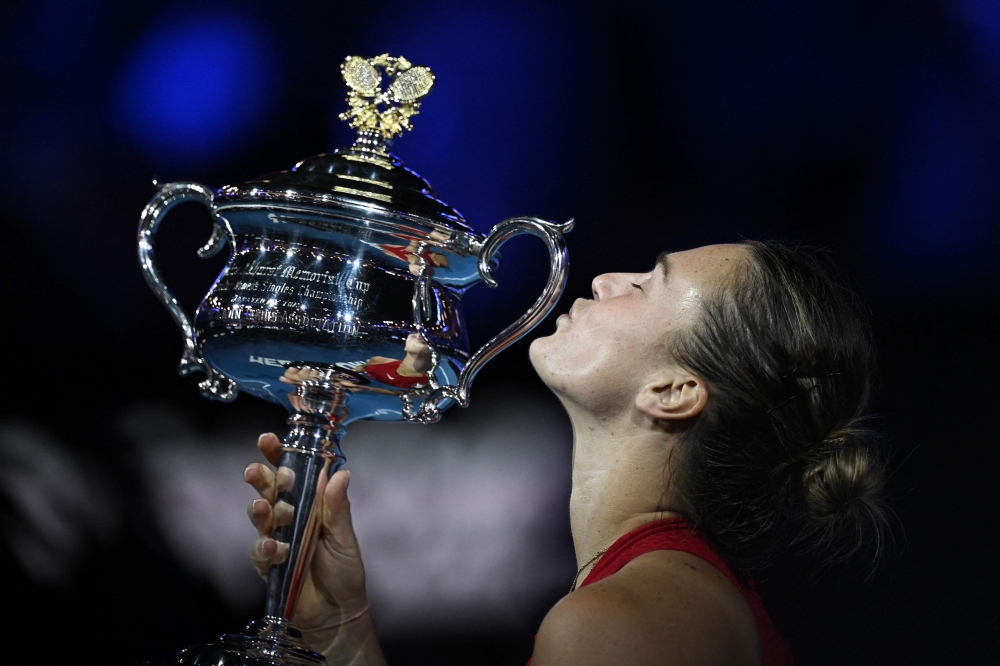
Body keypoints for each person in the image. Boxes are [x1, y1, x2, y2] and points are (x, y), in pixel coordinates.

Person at [243, 242, 890, 666]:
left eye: (644, 285)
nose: (607, 278)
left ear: (673, 391)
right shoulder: (663, 598)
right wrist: (345, 637)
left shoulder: (623, 626)